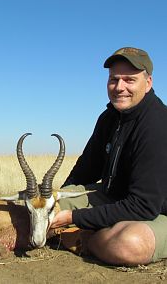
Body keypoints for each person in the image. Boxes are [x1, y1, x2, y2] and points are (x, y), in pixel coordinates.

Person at [51, 47, 167, 266]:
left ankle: (85, 238)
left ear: (148, 83)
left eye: (129, 80)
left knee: (129, 244)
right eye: (114, 79)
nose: (119, 87)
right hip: (115, 197)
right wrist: (59, 198)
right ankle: (95, 229)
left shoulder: (157, 125)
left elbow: (144, 206)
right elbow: (86, 169)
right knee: (43, 205)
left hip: (156, 211)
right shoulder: (109, 117)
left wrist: (74, 219)